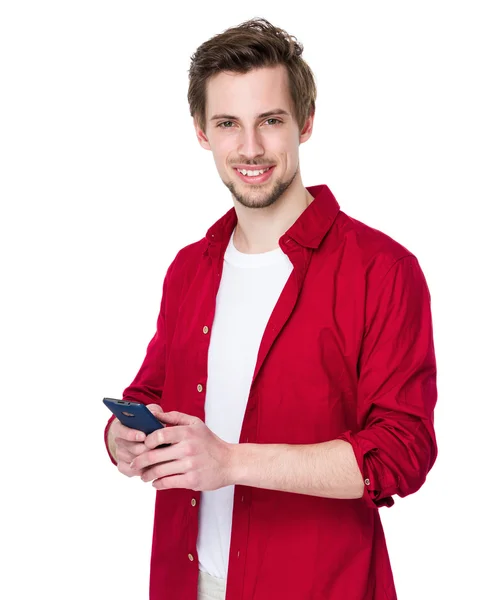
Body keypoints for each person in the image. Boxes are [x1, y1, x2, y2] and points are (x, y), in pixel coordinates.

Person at [104, 17, 438, 600]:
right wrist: (120, 437)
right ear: (203, 132)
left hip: (315, 586)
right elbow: (150, 395)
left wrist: (231, 462)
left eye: (271, 121)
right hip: (189, 583)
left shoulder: (381, 270)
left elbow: (401, 451)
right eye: (228, 124)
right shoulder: (189, 269)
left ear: (305, 123)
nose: (251, 148)